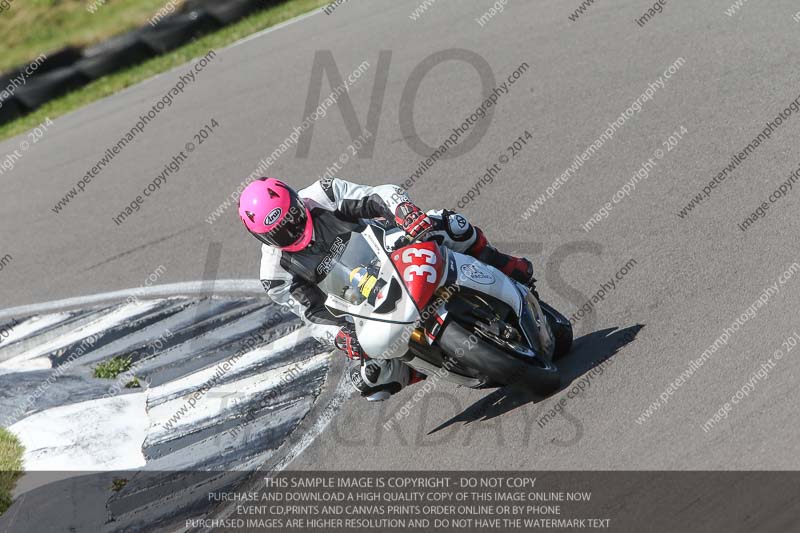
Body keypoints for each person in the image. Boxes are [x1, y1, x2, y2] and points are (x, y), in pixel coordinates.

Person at [238, 177, 537, 400]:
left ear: (295, 201)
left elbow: (375, 196)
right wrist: (342, 337)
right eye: (280, 231)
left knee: (450, 225)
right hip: (359, 303)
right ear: (262, 238)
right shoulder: (275, 276)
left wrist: (406, 213)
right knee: (369, 381)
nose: (291, 228)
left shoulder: (322, 194)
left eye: (292, 217)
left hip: (392, 246)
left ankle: (505, 265)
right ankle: (418, 369)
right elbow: (313, 315)